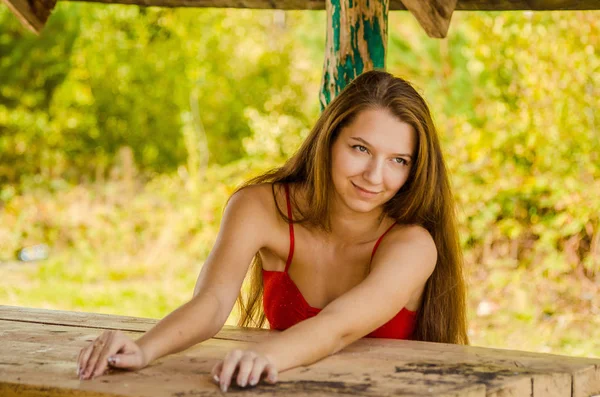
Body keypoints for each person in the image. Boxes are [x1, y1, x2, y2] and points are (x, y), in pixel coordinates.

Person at [76, 70, 468, 392]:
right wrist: (143, 350)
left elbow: (337, 327)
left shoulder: (413, 245)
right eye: (360, 149)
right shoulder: (260, 208)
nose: (374, 176)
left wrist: (268, 357)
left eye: (398, 160)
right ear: (329, 139)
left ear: (414, 168)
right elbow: (212, 302)